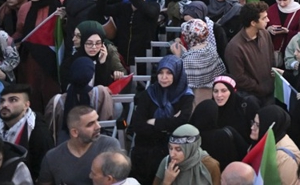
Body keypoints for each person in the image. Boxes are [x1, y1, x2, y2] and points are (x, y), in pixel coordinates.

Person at [130, 56, 195, 185]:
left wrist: (155, 122)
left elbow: (182, 124)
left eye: (169, 73)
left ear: (177, 74)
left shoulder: (186, 96)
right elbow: (137, 125)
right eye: (161, 72)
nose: (163, 77)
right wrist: (168, 124)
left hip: (171, 150)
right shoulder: (149, 93)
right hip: (145, 150)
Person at [37, 107, 122, 185]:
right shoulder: (52, 157)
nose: (98, 126)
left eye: (97, 120)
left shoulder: (110, 146)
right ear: (74, 132)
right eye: (90, 124)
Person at [223, 3, 274, 102]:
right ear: (253, 23)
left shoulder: (265, 34)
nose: (268, 20)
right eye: (264, 18)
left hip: (270, 93)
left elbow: (271, 57)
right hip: (250, 98)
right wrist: (260, 88)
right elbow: (239, 77)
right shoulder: (234, 47)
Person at [150, 124, 221, 185]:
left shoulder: (209, 165)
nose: (172, 154)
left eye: (178, 149)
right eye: (170, 148)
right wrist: (166, 182)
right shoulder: (167, 162)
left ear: (191, 148)